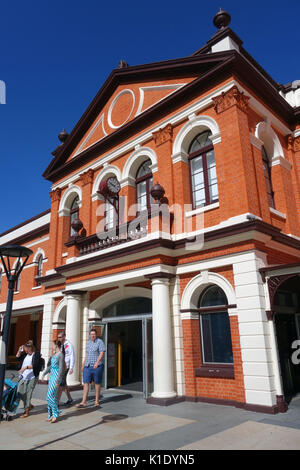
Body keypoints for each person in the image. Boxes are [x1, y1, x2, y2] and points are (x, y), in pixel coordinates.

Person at [76, 329, 106, 408]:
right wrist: (83, 365)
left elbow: (102, 353)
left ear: (96, 335)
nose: (92, 335)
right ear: (89, 335)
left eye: (94, 334)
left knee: (97, 383)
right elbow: (86, 355)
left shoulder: (100, 342)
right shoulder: (88, 343)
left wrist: (97, 362)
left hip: (97, 366)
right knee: (86, 383)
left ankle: (96, 401)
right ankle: (83, 401)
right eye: (91, 334)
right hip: (87, 366)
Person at [16, 340, 41, 418]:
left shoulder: (36, 354)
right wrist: (19, 351)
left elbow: (35, 365)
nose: (26, 351)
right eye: (25, 350)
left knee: (28, 393)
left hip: (32, 377)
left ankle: (26, 411)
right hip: (24, 376)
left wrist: (25, 368)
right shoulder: (25, 355)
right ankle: (29, 405)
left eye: (27, 350)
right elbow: (17, 358)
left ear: (31, 348)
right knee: (19, 391)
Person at [41, 340, 65, 423]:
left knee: (49, 396)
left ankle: (55, 413)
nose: (52, 346)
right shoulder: (54, 355)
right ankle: (50, 415)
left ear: (56, 346)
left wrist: (58, 382)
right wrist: (44, 373)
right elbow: (51, 366)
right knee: (53, 397)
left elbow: (61, 369)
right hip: (51, 377)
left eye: (53, 345)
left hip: (56, 377)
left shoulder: (61, 355)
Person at [56, 331, 75, 406]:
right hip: (60, 366)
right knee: (64, 384)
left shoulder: (69, 345)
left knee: (61, 383)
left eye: (60, 337)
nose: (58, 339)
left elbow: (72, 356)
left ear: (64, 337)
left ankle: (57, 402)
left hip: (66, 366)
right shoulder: (60, 345)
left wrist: (71, 367)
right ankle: (70, 399)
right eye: (58, 337)